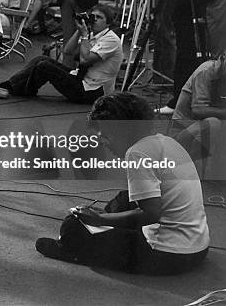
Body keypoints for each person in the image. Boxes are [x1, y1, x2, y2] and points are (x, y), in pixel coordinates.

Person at [35, 92, 210, 275]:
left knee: (73, 226)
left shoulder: (137, 153)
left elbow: (150, 214)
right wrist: (107, 216)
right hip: (198, 247)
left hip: (168, 256)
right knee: (125, 197)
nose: (102, 140)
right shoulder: (165, 141)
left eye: (104, 132)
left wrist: (102, 219)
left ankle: (69, 249)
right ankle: (101, 225)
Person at [0, 4, 122, 103]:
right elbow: (68, 51)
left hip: (93, 92)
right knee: (41, 59)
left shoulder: (111, 39)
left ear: (108, 23)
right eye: (93, 16)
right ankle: (10, 87)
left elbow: (85, 60)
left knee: (45, 66)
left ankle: (9, 88)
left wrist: (84, 35)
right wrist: (79, 31)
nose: (94, 20)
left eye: (99, 18)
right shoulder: (94, 35)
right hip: (82, 80)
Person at [171, 53, 226, 179]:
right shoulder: (206, 71)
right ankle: (195, 175)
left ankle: (216, 173)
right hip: (183, 132)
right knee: (213, 124)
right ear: (222, 58)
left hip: (202, 130)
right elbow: (198, 111)